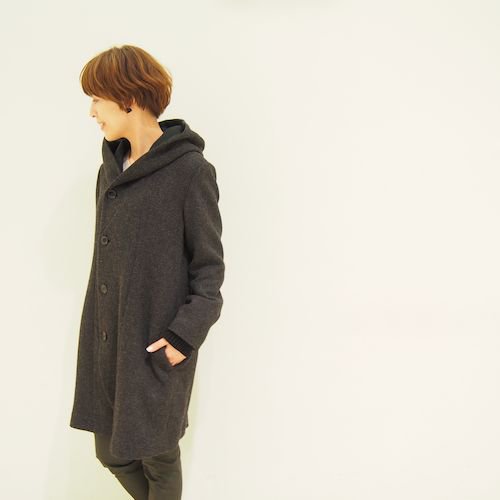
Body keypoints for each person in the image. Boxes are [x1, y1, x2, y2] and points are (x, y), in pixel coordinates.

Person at [69, 44, 225, 500]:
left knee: (158, 457)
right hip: (106, 341)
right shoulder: (110, 171)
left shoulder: (191, 171)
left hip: (155, 342)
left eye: (97, 99)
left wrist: (182, 338)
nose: (92, 112)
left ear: (129, 99)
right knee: (110, 452)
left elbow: (209, 271)